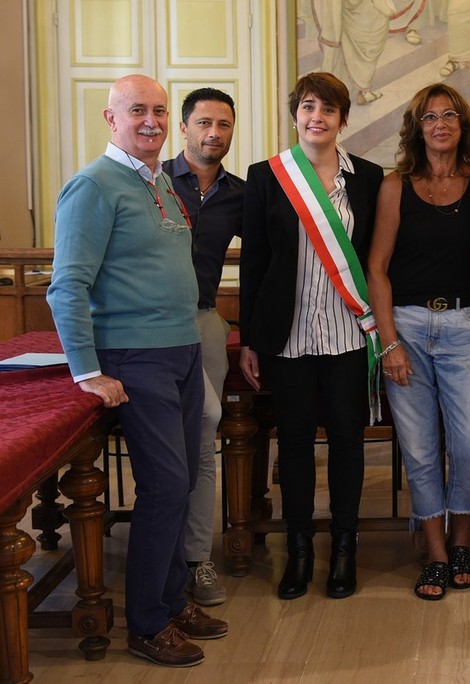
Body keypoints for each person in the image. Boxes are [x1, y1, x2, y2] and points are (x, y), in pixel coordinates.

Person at [46, 74, 227, 668]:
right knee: (166, 487)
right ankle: (148, 623)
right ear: (111, 118)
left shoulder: (160, 182)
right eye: (136, 110)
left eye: (159, 110)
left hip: (182, 349)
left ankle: (171, 602)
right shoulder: (93, 186)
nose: (151, 121)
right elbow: (66, 286)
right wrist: (86, 371)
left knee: (183, 484)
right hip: (135, 356)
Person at [239, 72, 384, 601]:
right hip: (288, 336)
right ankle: (298, 550)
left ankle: (345, 547)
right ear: (295, 114)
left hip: (348, 334)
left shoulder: (369, 177)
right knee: (295, 443)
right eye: (307, 106)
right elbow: (255, 260)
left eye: (327, 108)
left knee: (348, 440)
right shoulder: (266, 175)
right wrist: (251, 337)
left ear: (343, 118)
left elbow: (375, 256)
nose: (316, 116)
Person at [367, 83, 470, 600]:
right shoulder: (395, 186)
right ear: (417, 128)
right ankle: (438, 556)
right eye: (430, 117)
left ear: (463, 126)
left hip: (463, 325)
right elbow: (376, 268)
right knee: (419, 450)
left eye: (450, 115)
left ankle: (462, 543)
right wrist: (389, 343)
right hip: (408, 328)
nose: (440, 124)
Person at [163, 87, 244, 607]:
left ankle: (196, 558)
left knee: (205, 438)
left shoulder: (241, 194)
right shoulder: (153, 182)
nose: (214, 133)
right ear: (184, 128)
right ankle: (163, 555)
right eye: (204, 123)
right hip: (153, 328)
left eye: (224, 124)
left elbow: (266, 260)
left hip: (206, 320)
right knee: (180, 437)